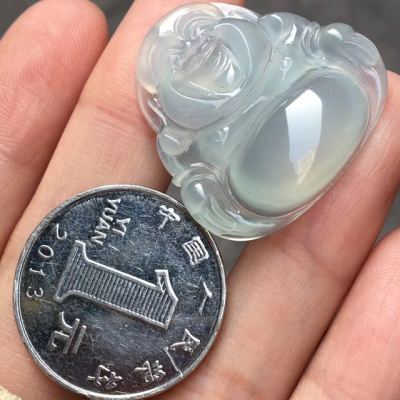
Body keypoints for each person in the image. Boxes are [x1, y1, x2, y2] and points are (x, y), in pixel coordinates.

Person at [0, 1, 400, 399]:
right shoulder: (186, 137)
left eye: (201, 36)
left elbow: (320, 42)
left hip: (316, 98)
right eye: (178, 61)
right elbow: (198, 183)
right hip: (249, 162)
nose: (196, 50)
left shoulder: (284, 46)